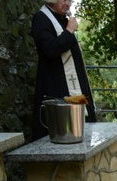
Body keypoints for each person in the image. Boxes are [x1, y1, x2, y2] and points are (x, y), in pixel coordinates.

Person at [31, 0, 96, 141]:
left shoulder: (62, 19)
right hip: (56, 88)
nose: (68, 4)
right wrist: (69, 31)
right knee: (62, 136)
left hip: (74, 89)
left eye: (70, 0)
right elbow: (49, 49)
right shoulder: (41, 19)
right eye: (64, 0)